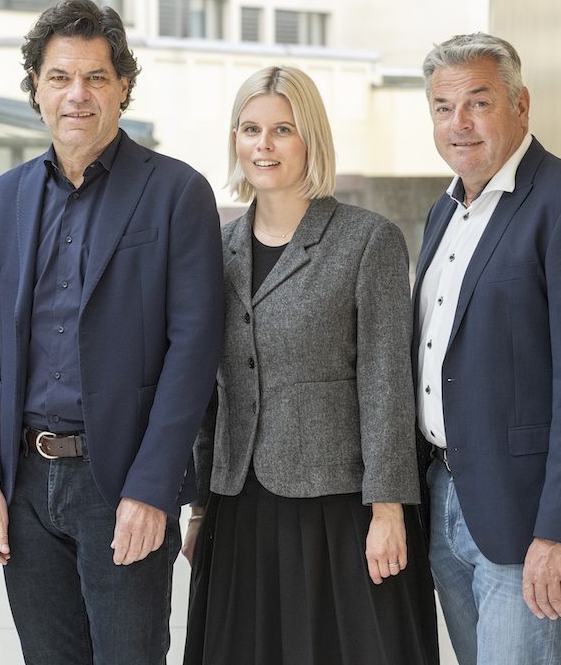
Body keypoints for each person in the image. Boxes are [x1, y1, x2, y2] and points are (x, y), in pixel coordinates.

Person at [0, 0, 224, 665]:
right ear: (37, 90)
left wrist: (153, 487)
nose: (77, 94)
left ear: (122, 88)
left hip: (122, 484)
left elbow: (194, 349)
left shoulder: (176, 193)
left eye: (96, 77)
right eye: (59, 77)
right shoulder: (6, 198)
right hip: (24, 484)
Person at [181, 66, 439, 665]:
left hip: (337, 511)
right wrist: (199, 507)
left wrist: (389, 510)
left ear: (311, 140)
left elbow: (385, 386)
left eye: (282, 130)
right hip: (238, 506)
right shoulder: (215, 250)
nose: (263, 146)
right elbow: (208, 393)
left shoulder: (366, 241)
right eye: (250, 129)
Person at [414, 33, 561, 665]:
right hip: (450, 497)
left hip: (530, 517)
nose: (458, 123)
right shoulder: (445, 212)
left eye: (478, 102)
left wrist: (560, 532)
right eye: (442, 107)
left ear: (521, 104)